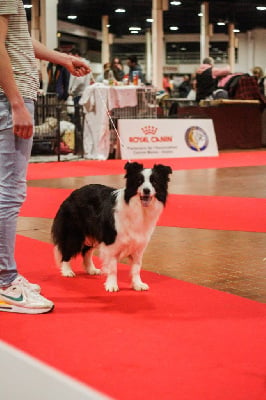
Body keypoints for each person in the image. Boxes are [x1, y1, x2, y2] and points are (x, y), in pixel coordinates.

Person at [0, 0, 91, 314]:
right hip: (9, 94)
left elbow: (18, 37)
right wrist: (15, 102)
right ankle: (5, 283)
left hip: (9, 93)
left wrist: (62, 58)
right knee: (9, 193)